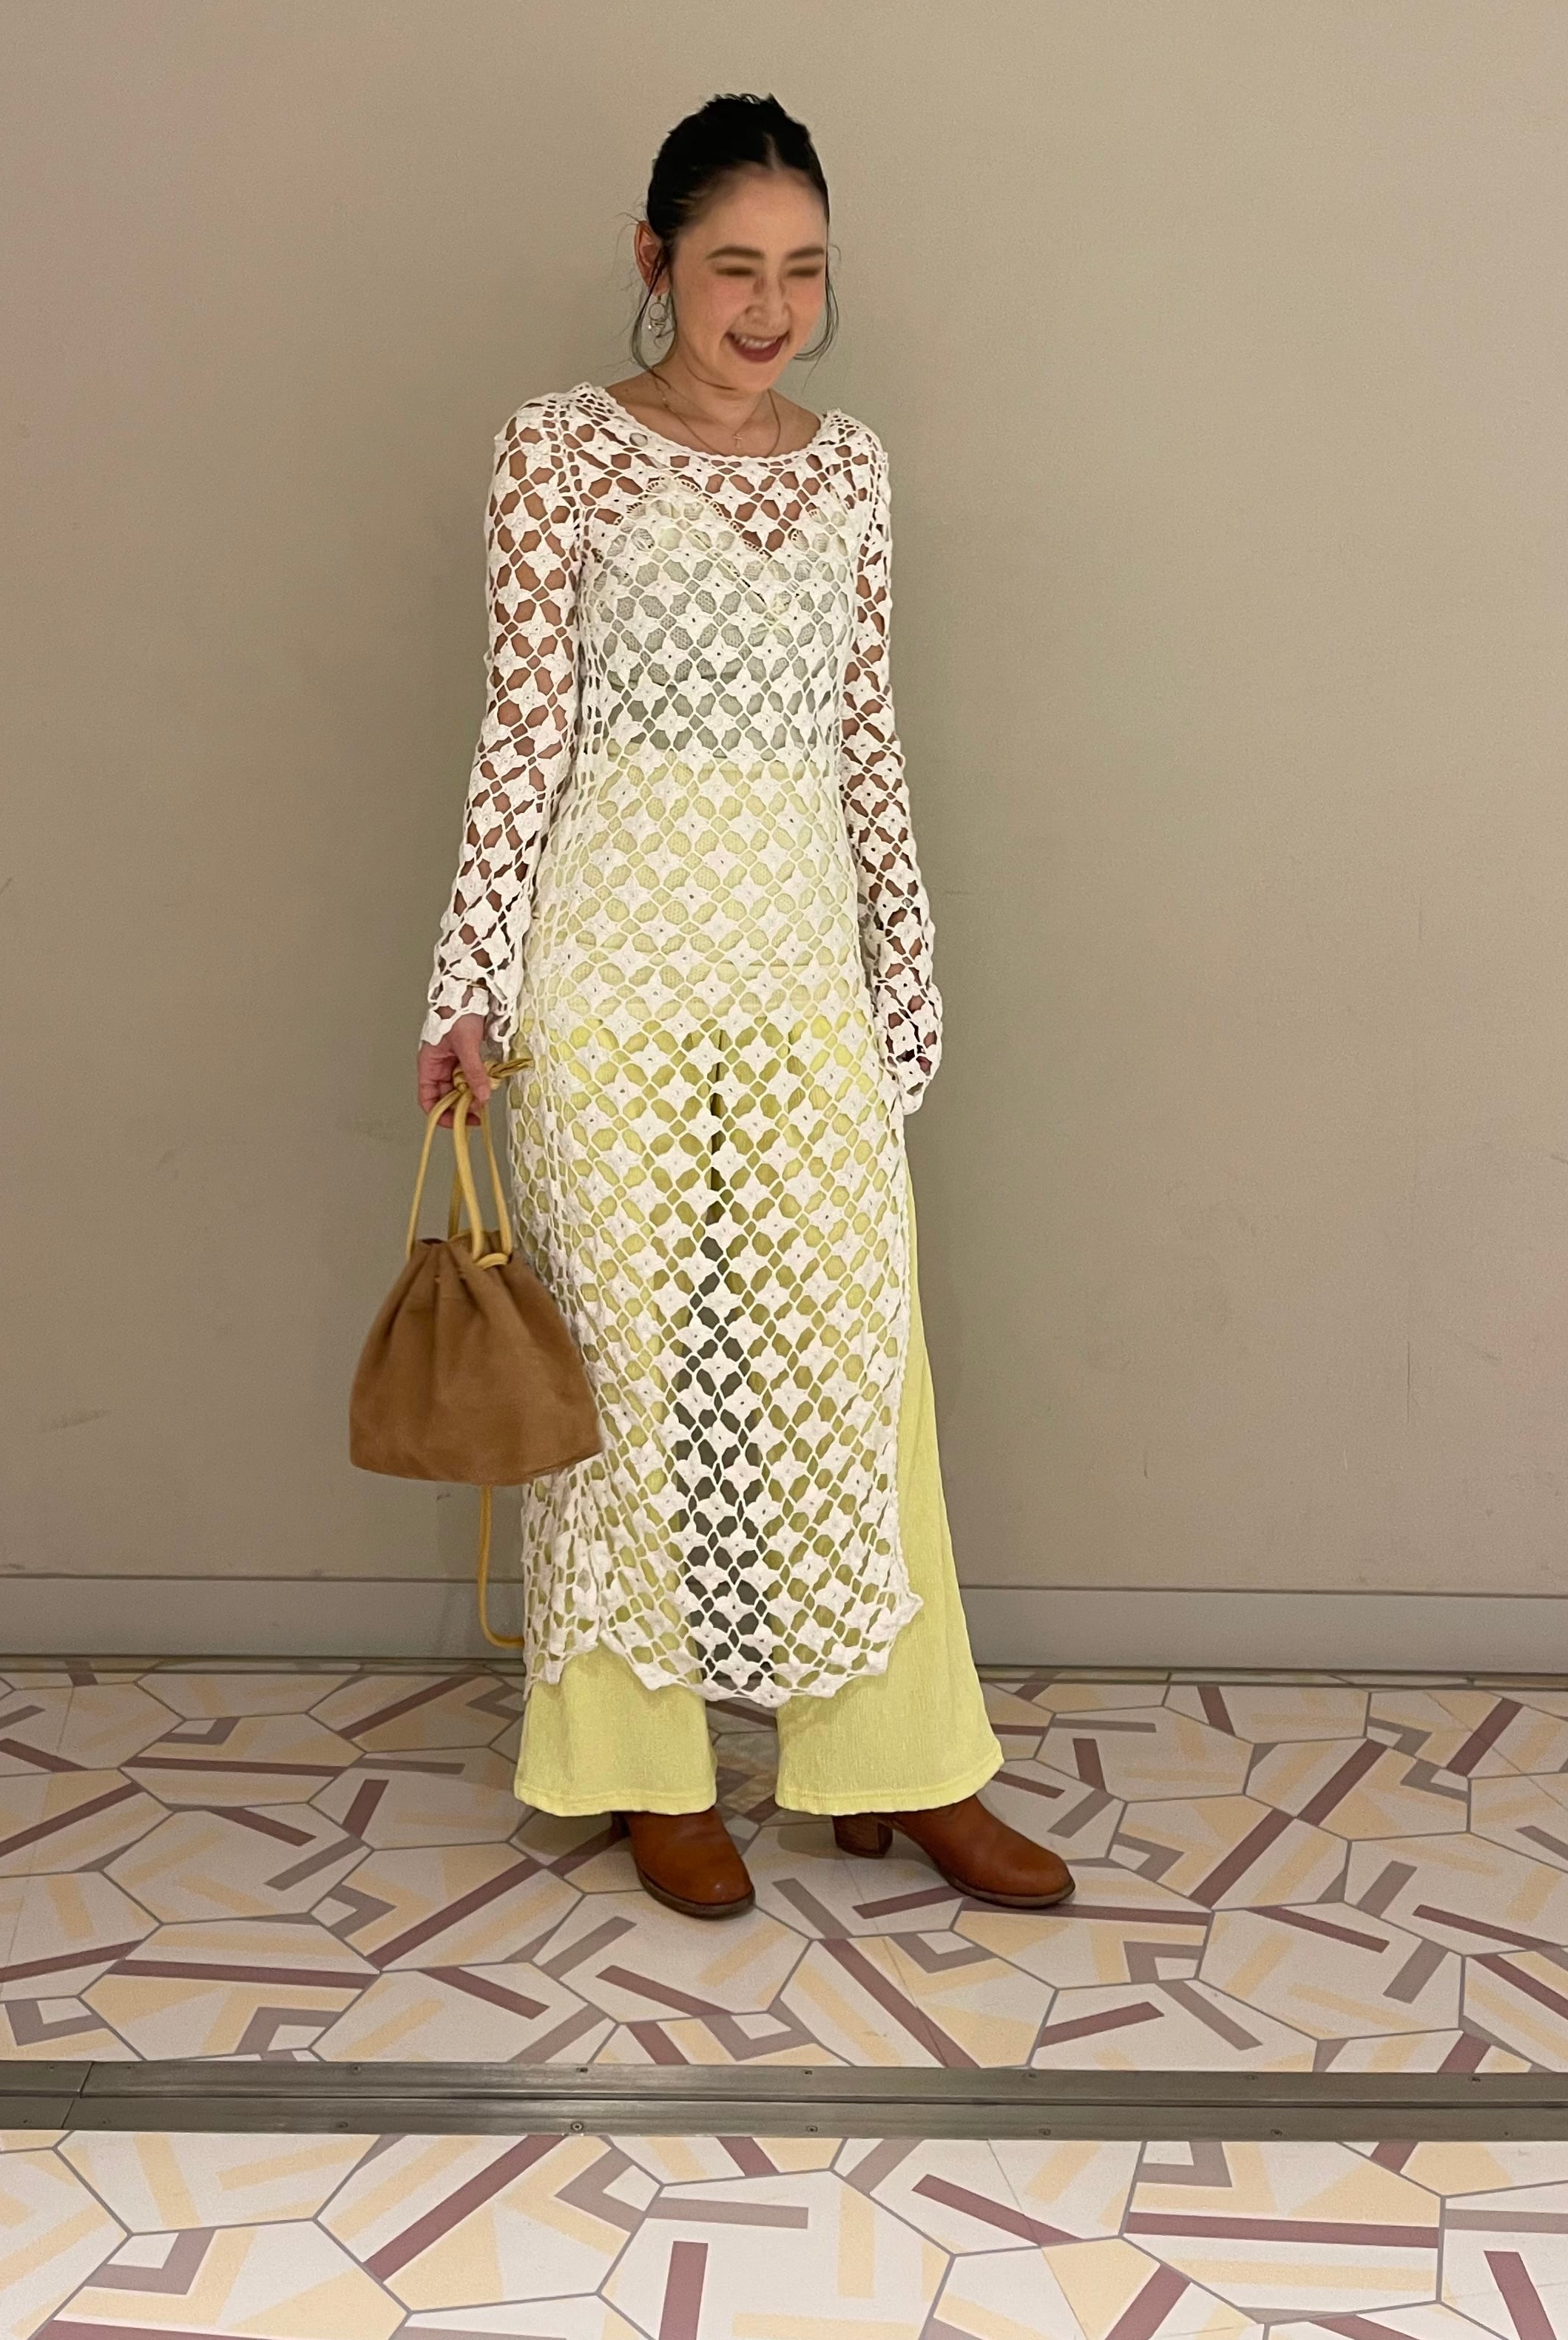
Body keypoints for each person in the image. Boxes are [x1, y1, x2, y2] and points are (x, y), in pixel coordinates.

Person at [416, 92, 1073, 1923]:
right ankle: (640, 1769)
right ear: (655, 262)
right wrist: (467, 982)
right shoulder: (558, 451)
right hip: (606, 968)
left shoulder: (851, 468)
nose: (771, 309)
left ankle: (899, 1764)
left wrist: (903, 970)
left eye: (803, 270)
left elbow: (865, 736)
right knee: (621, 1371)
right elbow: (521, 728)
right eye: (732, 269)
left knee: (854, 1361)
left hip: (798, 967)